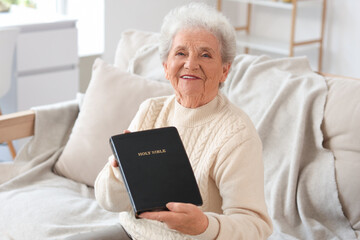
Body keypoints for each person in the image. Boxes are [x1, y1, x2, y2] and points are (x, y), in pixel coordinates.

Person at [95, 2, 273, 240]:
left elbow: (255, 227)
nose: (191, 63)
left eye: (205, 54)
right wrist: (119, 171)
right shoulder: (151, 111)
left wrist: (204, 225)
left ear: (224, 70)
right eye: (181, 53)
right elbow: (108, 200)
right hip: (130, 234)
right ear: (166, 66)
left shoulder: (237, 134)